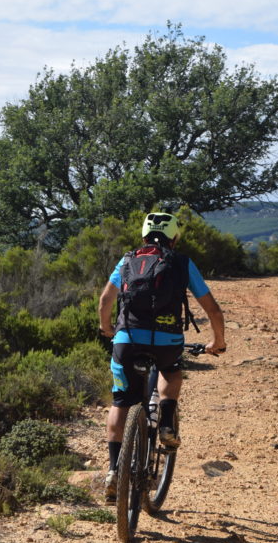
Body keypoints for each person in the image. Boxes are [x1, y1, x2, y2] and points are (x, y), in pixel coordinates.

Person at [97, 212, 226, 502]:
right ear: (175, 238)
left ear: (143, 235)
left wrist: (106, 328)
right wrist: (218, 342)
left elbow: (106, 300)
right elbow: (213, 310)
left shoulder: (127, 260)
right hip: (167, 340)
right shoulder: (182, 263)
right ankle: (166, 421)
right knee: (170, 371)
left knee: (121, 400)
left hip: (127, 340)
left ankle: (114, 469)